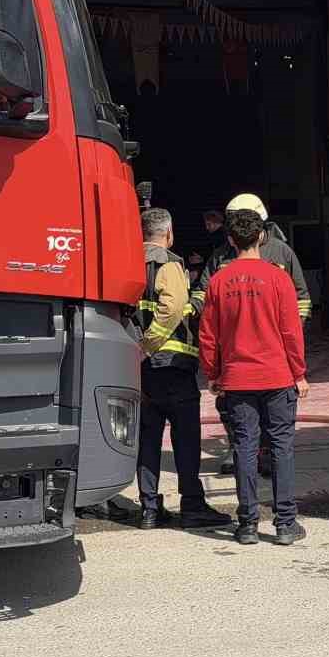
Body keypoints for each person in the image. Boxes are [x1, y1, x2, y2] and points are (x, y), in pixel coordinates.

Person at [198, 208, 308, 546]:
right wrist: (299, 373)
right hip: (277, 377)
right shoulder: (278, 278)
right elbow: (291, 332)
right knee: (281, 448)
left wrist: (213, 374)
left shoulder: (219, 281)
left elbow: (208, 334)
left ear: (231, 240)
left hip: (237, 380)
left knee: (244, 448)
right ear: (261, 237)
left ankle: (247, 525)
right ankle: (285, 524)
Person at [191, 193, 312, 475]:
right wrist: (191, 308)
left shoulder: (282, 253)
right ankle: (238, 449)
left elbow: (301, 298)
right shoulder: (221, 255)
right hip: (234, 351)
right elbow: (204, 293)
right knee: (229, 407)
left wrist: (294, 329)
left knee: (273, 411)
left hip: (274, 350)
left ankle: (265, 453)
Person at [133, 208, 230, 531]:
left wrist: (136, 352)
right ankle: (192, 505)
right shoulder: (168, 263)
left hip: (140, 369)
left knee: (148, 439)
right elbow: (173, 306)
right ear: (169, 233)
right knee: (186, 439)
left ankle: (149, 508)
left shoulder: (128, 262)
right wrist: (149, 345)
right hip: (172, 366)